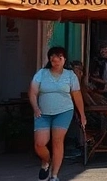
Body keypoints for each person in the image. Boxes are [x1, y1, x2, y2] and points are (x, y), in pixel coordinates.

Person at [29, 46, 86, 181]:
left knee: (57, 141)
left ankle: (54, 175)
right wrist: (35, 107)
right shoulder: (41, 73)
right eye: (53, 58)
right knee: (39, 143)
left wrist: (82, 114)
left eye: (59, 58)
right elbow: (32, 92)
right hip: (43, 112)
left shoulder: (70, 75)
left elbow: (77, 95)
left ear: (64, 59)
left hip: (64, 111)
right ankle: (46, 161)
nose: (56, 61)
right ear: (50, 59)